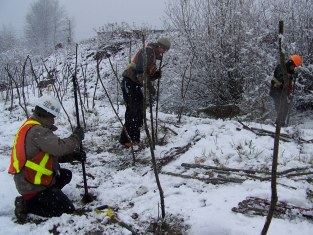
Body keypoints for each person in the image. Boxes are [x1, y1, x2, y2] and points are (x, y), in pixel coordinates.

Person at [8, 95, 85, 223]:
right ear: (45, 114)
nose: (53, 121)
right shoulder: (37, 131)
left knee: (66, 175)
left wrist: (74, 155)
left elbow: (49, 154)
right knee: (67, 209)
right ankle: (26, 204)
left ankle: (49, 195)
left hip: (32, 178)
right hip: (31, 186)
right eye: (52, 117)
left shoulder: (32, 126)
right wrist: (76, 138)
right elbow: (59, 148)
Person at [119, 37, 171, 148]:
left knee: (138, 111)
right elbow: (140, 71)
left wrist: (154, 76)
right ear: (160, 46)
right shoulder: (148, 51)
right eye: (164, 49)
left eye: (166, 50)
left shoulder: (152, 55)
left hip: (134, 84)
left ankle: (134, 139)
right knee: (133, 111)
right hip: (129, 82)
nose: (164, 52)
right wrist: (149, 86)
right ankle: (127, 140)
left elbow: (145, 74)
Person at [269, 55, 302, 126]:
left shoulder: (290, 71)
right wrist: (290, 77)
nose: (294, 68)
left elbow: (289, 81)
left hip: (283, 93)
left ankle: (281, 124)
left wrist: (293, 76)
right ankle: (278, 124)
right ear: (290, 63)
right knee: (280, 108)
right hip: (276, 91)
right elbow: (281, 79)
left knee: (285, 108)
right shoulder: (281, 68)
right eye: (294, 66)